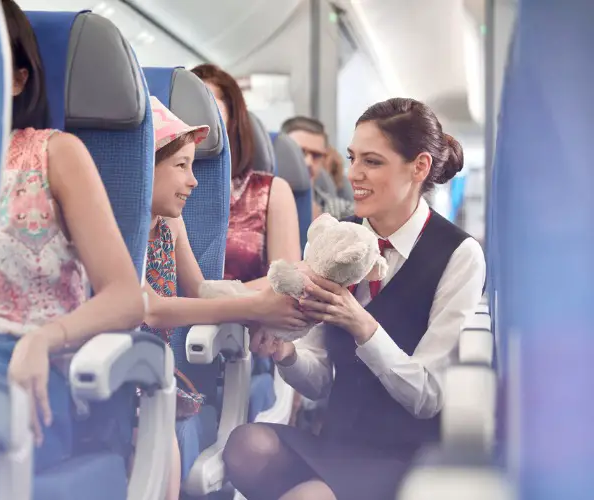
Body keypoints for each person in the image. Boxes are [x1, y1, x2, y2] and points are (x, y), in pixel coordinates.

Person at [222, 97, 486, 500]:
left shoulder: (458, 254)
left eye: (372, 162)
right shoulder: (335, 238)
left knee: (308, 496)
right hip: (336, 440)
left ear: (419, 167)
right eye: (351, 158)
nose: (353, 174)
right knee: (245, 447)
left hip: (405, 454)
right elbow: (319, 383)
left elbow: (429, 397)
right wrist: (285, 354)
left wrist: (361, 325)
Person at [0, 0, 144, 473]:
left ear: (19, 79)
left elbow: (125, 297)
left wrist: (43, 340)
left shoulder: (54, 153)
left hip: (19, 368)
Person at [142, 97, 309, 500]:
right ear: (142, 164)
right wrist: (252, 305)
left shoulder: (170, 222)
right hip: (136, 370)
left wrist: (274, 293)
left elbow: (201, 289)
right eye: (181, 166)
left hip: (158, 375)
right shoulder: (112, 222)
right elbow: (151, 307)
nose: (195, 180)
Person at [191, 64, 301, 287]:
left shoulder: (271, 192)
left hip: (244, 319)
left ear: (233, 119)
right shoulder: (159, 184)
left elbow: (288, 284)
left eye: (210, 108)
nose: (197, 119)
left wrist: (210, 304)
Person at [280, 116, 354, 220]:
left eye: (316, 155)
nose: (308, 162)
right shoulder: (257, 204)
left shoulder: (341, 213)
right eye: (300, 152)